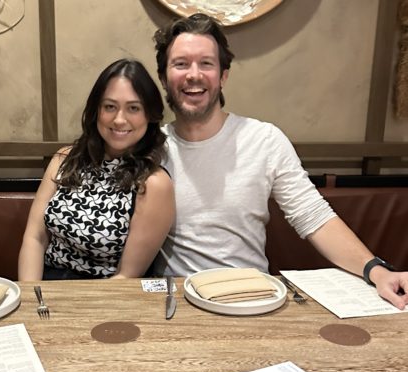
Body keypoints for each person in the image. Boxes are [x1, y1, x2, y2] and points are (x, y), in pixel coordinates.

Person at [151, 13, 408, 309]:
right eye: (181, 64)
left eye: (206, 63)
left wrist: (376, 271)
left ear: (223, 76)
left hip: (251, 299)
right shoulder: (151, 148)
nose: (194, 75)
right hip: (174, 300)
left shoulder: (263, 140)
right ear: (164, 78)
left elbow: (313, 216)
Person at [18, 58, 175, 280]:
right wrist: (30, 294)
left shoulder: (153, 184)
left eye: (133, 108)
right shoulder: (65, 159)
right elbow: (35, 238)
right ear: (96, 110)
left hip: (106, 292)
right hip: (46, 287)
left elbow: (126, 276)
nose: (119, 120)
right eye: (110, 107)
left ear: (149, 115)